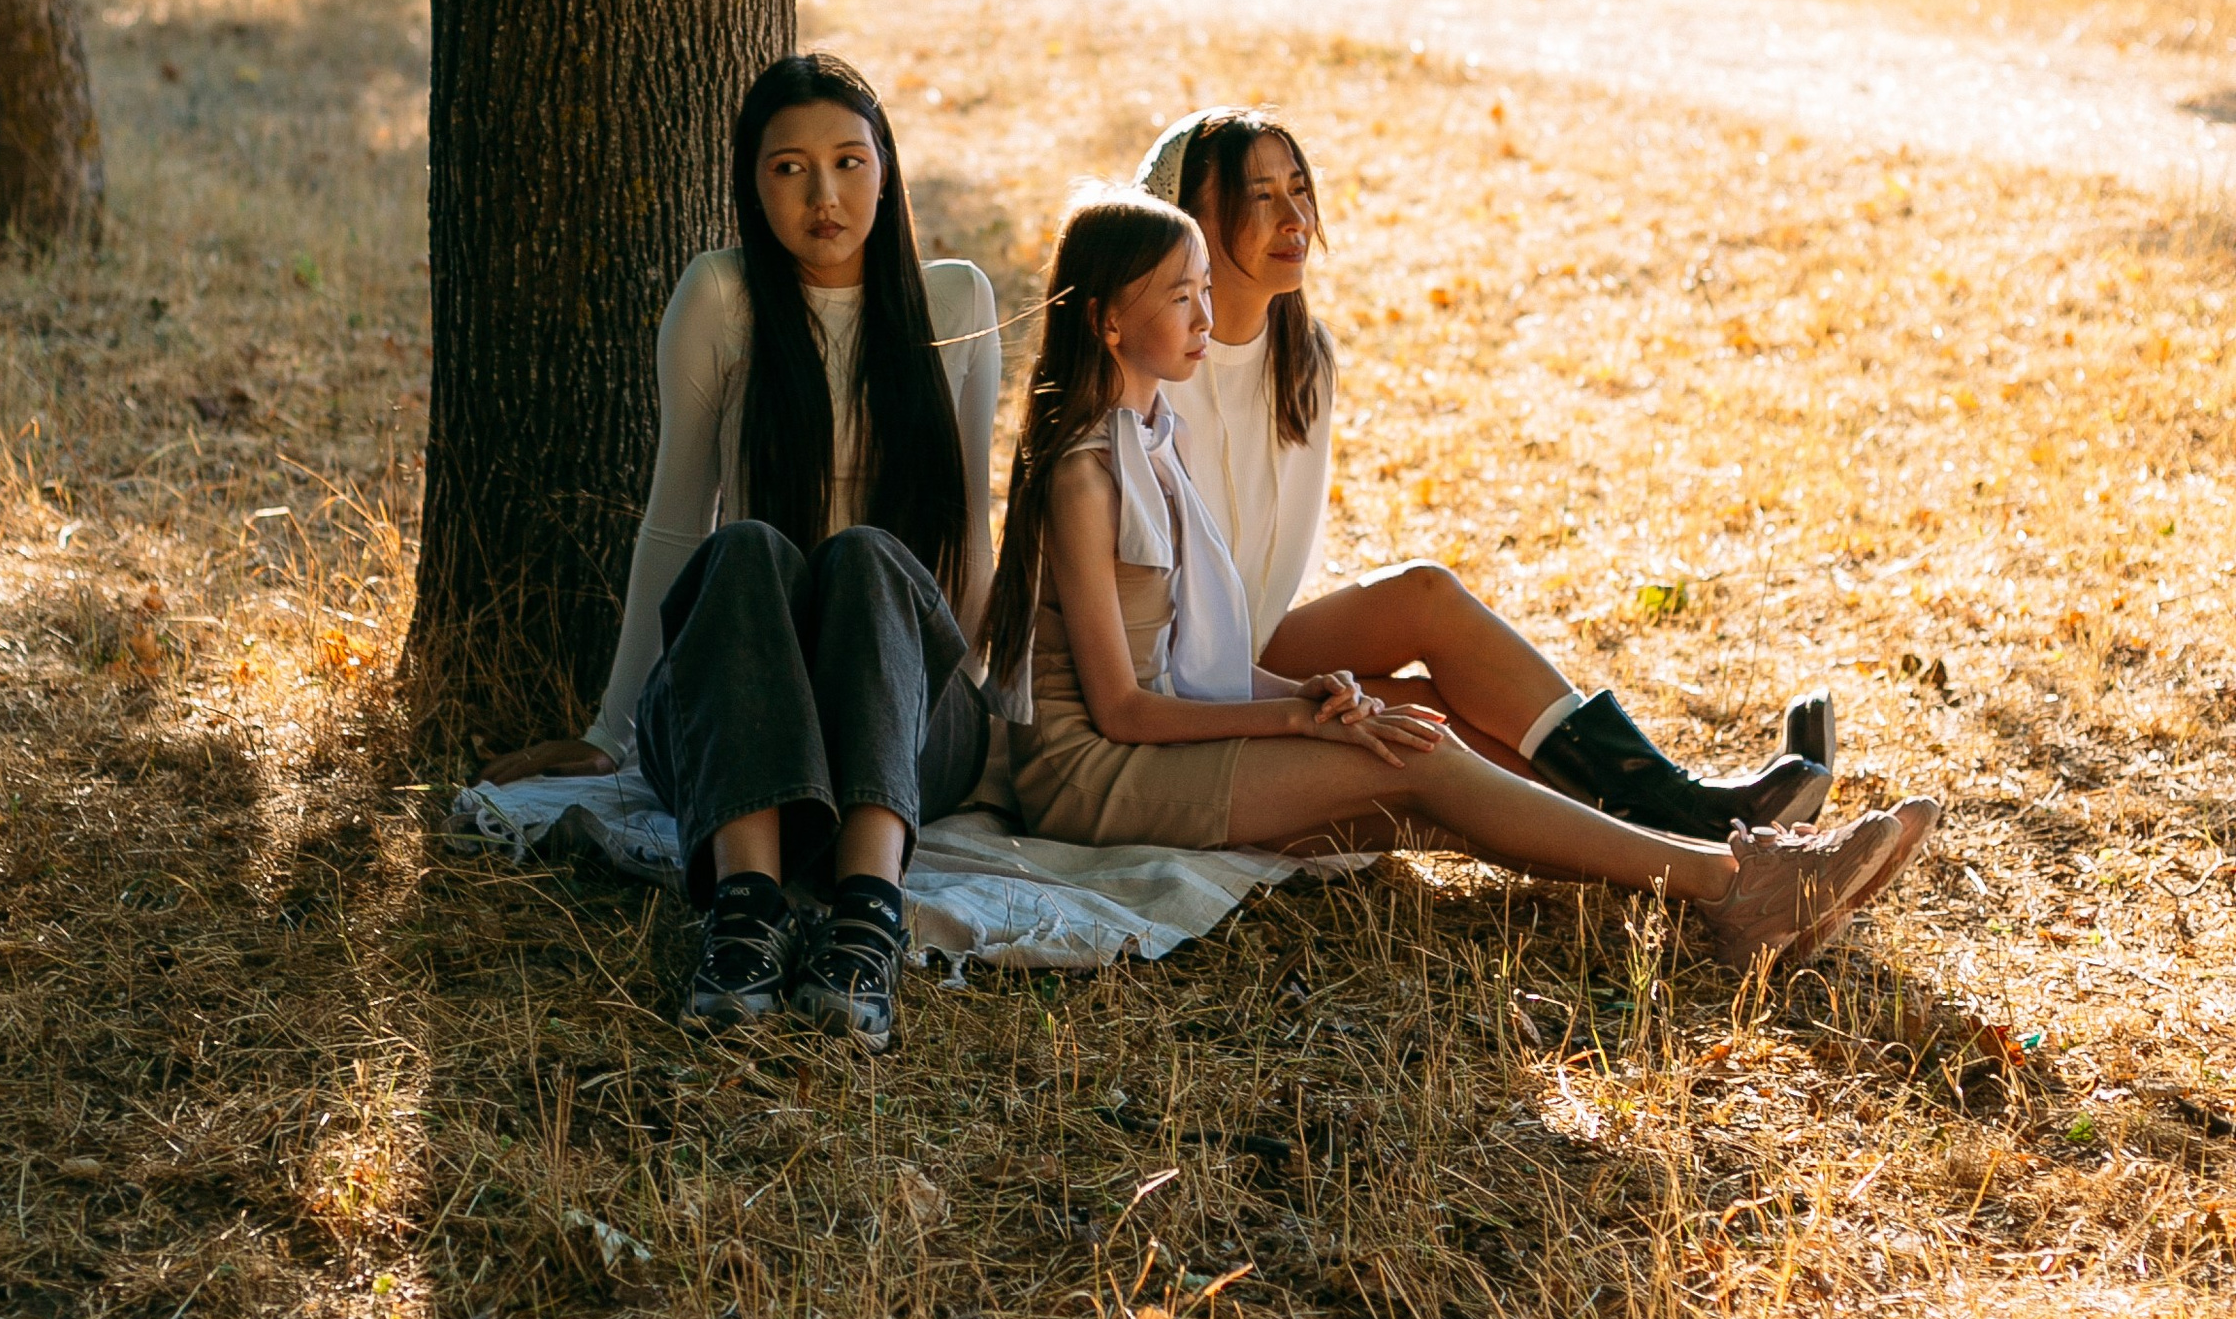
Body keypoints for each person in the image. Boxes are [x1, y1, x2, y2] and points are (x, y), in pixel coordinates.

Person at [984, 188, 1934, 966]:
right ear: (1108, 320)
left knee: (1417, 769)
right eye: (1179, 297)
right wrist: (1294, 718)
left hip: (1150, 744)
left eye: (1203, 289)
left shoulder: (1155, 437)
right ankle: (1735, 884)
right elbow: (1123, 709)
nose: (1204, 316)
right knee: (1420, 759)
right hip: (1090, 776)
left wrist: (1309, 694)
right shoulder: (1084, 474)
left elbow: (1191, 656)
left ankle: (1725, 872)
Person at [481, 54, 998, 1050]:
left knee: (867, 557)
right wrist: (611, 729)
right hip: (748, 704)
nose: (823, 196)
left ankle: (866, 922)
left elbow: (972, 527)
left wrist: (967, 697)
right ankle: (744, 920)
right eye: (789, 169)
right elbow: (676, 524)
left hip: (897, 714)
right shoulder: (722, 297)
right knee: (746, 547)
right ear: (750, 185)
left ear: (886, 169)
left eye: (848, 162)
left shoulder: (955, 303)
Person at [1137, 107, 1833, 837]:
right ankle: (1685, 833)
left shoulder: (1303, 358)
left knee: (1425, 598)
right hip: (1176, 689)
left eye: (1299, 188)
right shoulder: (1149, 373)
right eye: (1259, 196)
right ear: (1186, 222)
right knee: (1418, 716)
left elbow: (1261, 573)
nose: (1295, 219)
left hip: (1248, 644)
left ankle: (1681, 810)